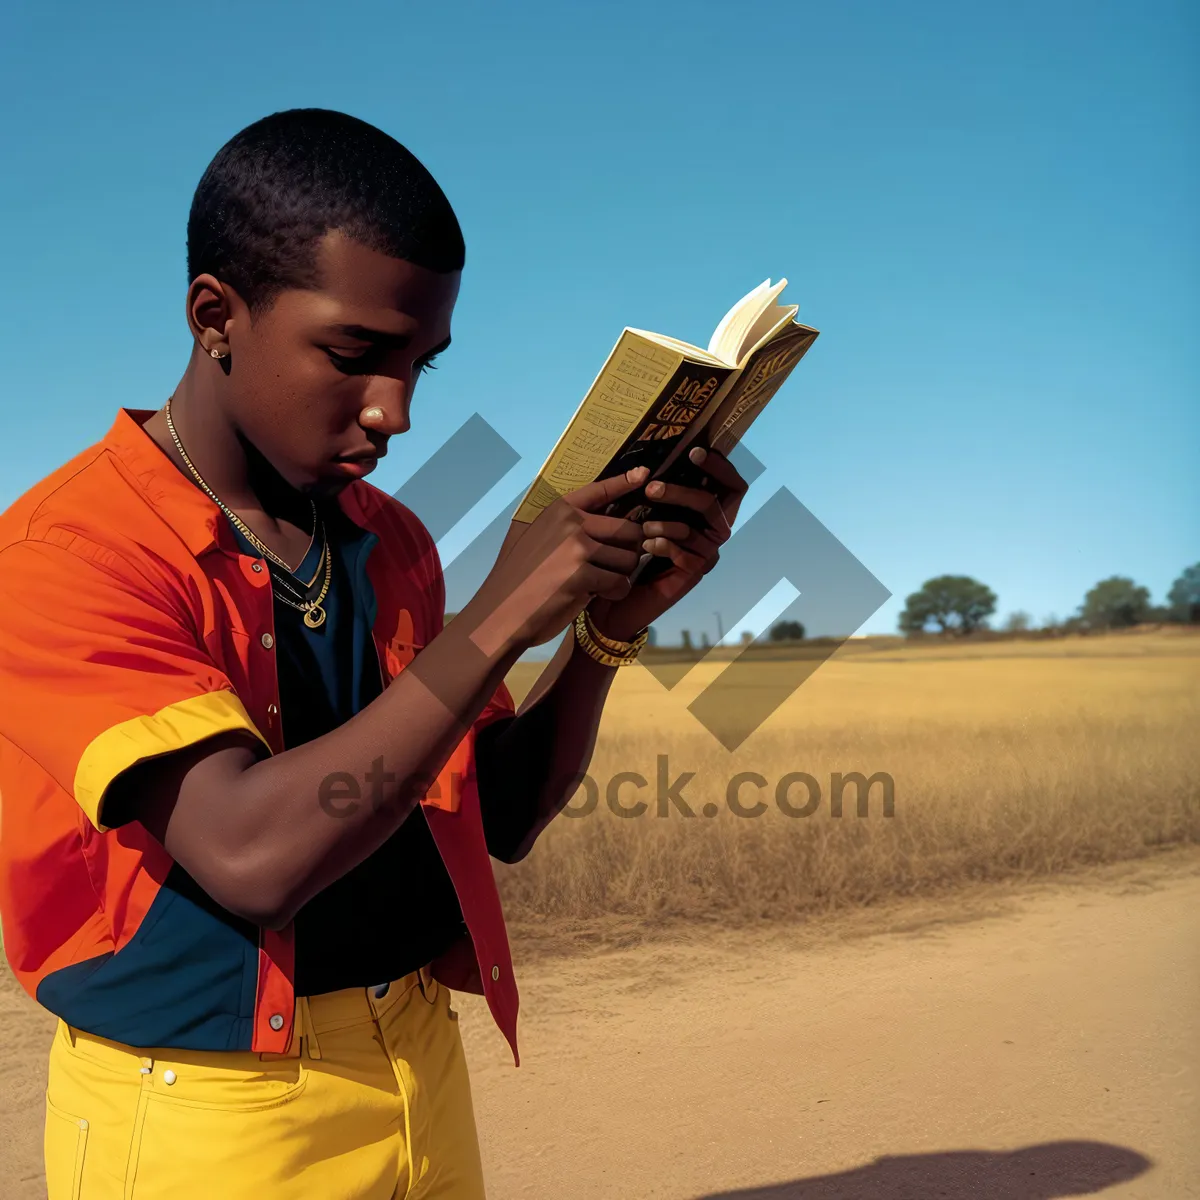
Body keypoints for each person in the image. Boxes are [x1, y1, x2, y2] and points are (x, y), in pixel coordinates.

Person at [0, 108, 747, 1199]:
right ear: (217, 314)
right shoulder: (65, 551)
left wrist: (605, 628)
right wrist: (501, 615)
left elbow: (505, 813)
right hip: (208, 1113)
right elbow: (251, 859)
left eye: (420, 366)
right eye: (353, 355)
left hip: (417, 1057)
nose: (393, 410)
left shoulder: (384, 538)